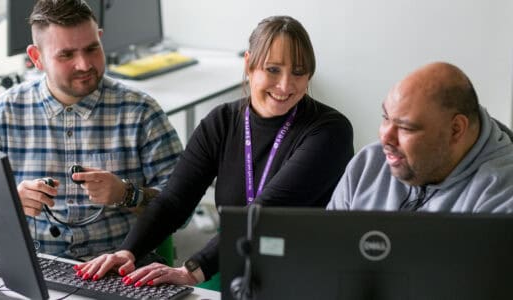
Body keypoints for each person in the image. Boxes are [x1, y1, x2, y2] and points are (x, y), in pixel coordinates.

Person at [75, 15, 354, 285]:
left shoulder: (330, 131)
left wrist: (192, 270)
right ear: (249, 64)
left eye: (298, 72)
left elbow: (267, 211)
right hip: (231, 254)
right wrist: (128, 252)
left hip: (299, 265)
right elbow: (174, 201)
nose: (285, 85)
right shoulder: (221, 122)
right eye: (272, 69)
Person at [0, 0, 182, 259]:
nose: (84, 64)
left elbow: (181, 208)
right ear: (36, 58)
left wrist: (127, 194)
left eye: (92, 48)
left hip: (119, 270)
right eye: (66, 54)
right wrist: (11, 201)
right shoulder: (0, 115)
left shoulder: (141, 112)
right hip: (34, 267)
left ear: (101, 39)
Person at [328, 62, 513, 212]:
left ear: (456, 129)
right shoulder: (368, 163)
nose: (385, 137)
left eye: (406, 128)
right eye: (386, 118)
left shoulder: (503, 192)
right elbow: (327, 246)